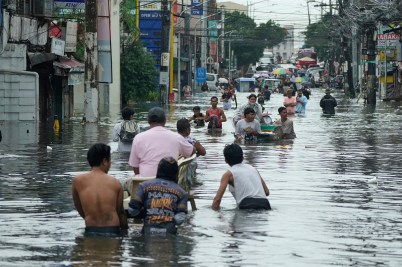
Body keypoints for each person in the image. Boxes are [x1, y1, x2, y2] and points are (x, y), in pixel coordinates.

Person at [72, 143, 128, 236]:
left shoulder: (77, 181)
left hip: (90, 230)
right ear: (104, 161)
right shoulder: (115, 183)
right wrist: (125, 231)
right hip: (113, 231)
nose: (110, 164)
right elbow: (120, 212)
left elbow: (79, 208)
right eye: (110, 161)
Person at [128, 157, 188, 236]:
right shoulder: (182, 193)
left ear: (158, 170)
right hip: (169, 235)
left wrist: (147, 212)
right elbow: (179, 219)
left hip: (147, 233)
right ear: (176, 173)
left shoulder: (144, 186)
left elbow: (132, 210)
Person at [128, 107, 195, 177]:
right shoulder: (176, 137)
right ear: (165, 121)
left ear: (148, 121)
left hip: (145, 181)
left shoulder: (138, 138)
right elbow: (191, 151)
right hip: (169, 181)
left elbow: (135, 166)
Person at [211, 143, 271, 210]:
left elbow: (217, 199)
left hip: (246, 205)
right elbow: (266, 192)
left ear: (225, 160)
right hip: (265, 204)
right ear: (243, 157)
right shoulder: (253, 169)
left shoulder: (228, 174)